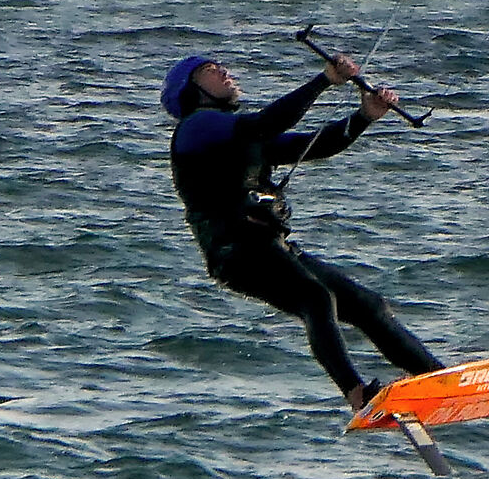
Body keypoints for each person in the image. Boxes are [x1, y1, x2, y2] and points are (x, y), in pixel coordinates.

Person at [162, 50, 446, 411]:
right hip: (235, 253)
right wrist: (324, 80)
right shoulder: (197, 125)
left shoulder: (241, 136)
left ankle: (437, 377)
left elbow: (311, 146)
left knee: (367, 305)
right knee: (316, 298)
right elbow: (268, 123)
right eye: (209, 70)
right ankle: (357, 393)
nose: (224, 72)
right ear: (192, 90)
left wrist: (363, 117)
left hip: (268, 248)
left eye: (221, 67)